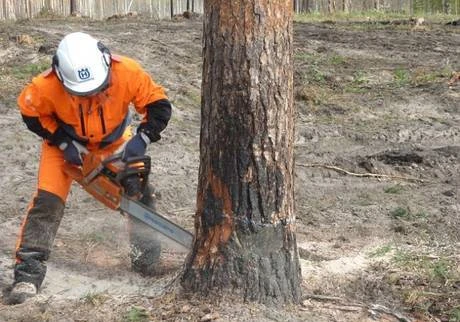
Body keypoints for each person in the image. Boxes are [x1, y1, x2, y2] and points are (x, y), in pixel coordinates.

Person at [4, 32, 172, 305]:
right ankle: (28, 275)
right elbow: (31, 113)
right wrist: (60, 141)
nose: (92, 95)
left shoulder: (127, 72)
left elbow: (159, 105)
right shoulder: (44, 87)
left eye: (96, 88)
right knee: (47, 202)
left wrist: (142, 138)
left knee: (139, 195)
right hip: (66, 148)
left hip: (116, 143)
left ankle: (146, 263)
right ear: (60, 76)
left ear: (106, 62)